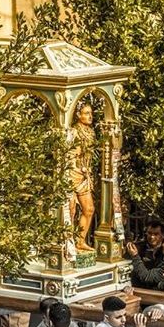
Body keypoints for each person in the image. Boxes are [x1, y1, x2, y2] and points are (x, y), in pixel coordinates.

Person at [68, 102, 97, 252]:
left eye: (90, 113)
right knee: (70, 211)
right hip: (74, 174)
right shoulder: (74, 132)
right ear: (78, 115)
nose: (90, 116)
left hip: (85, 174)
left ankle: (80, 240)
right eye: (86, 113)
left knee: (89, 209)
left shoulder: (90, 132)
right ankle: (67, 244)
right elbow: (70, 155)